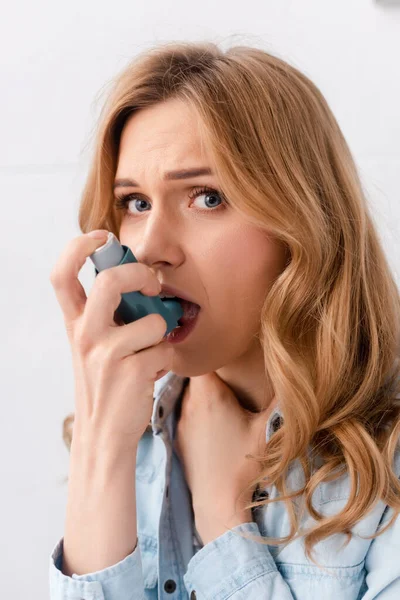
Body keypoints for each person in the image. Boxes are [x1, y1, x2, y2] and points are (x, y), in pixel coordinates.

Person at [48, 40, 400, 599]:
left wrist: (222, 522)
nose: (152, 248)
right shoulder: (136, 435)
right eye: (135, 203)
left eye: (207, 197)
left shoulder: (386, 465)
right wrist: (99, 447)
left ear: (302, 222)